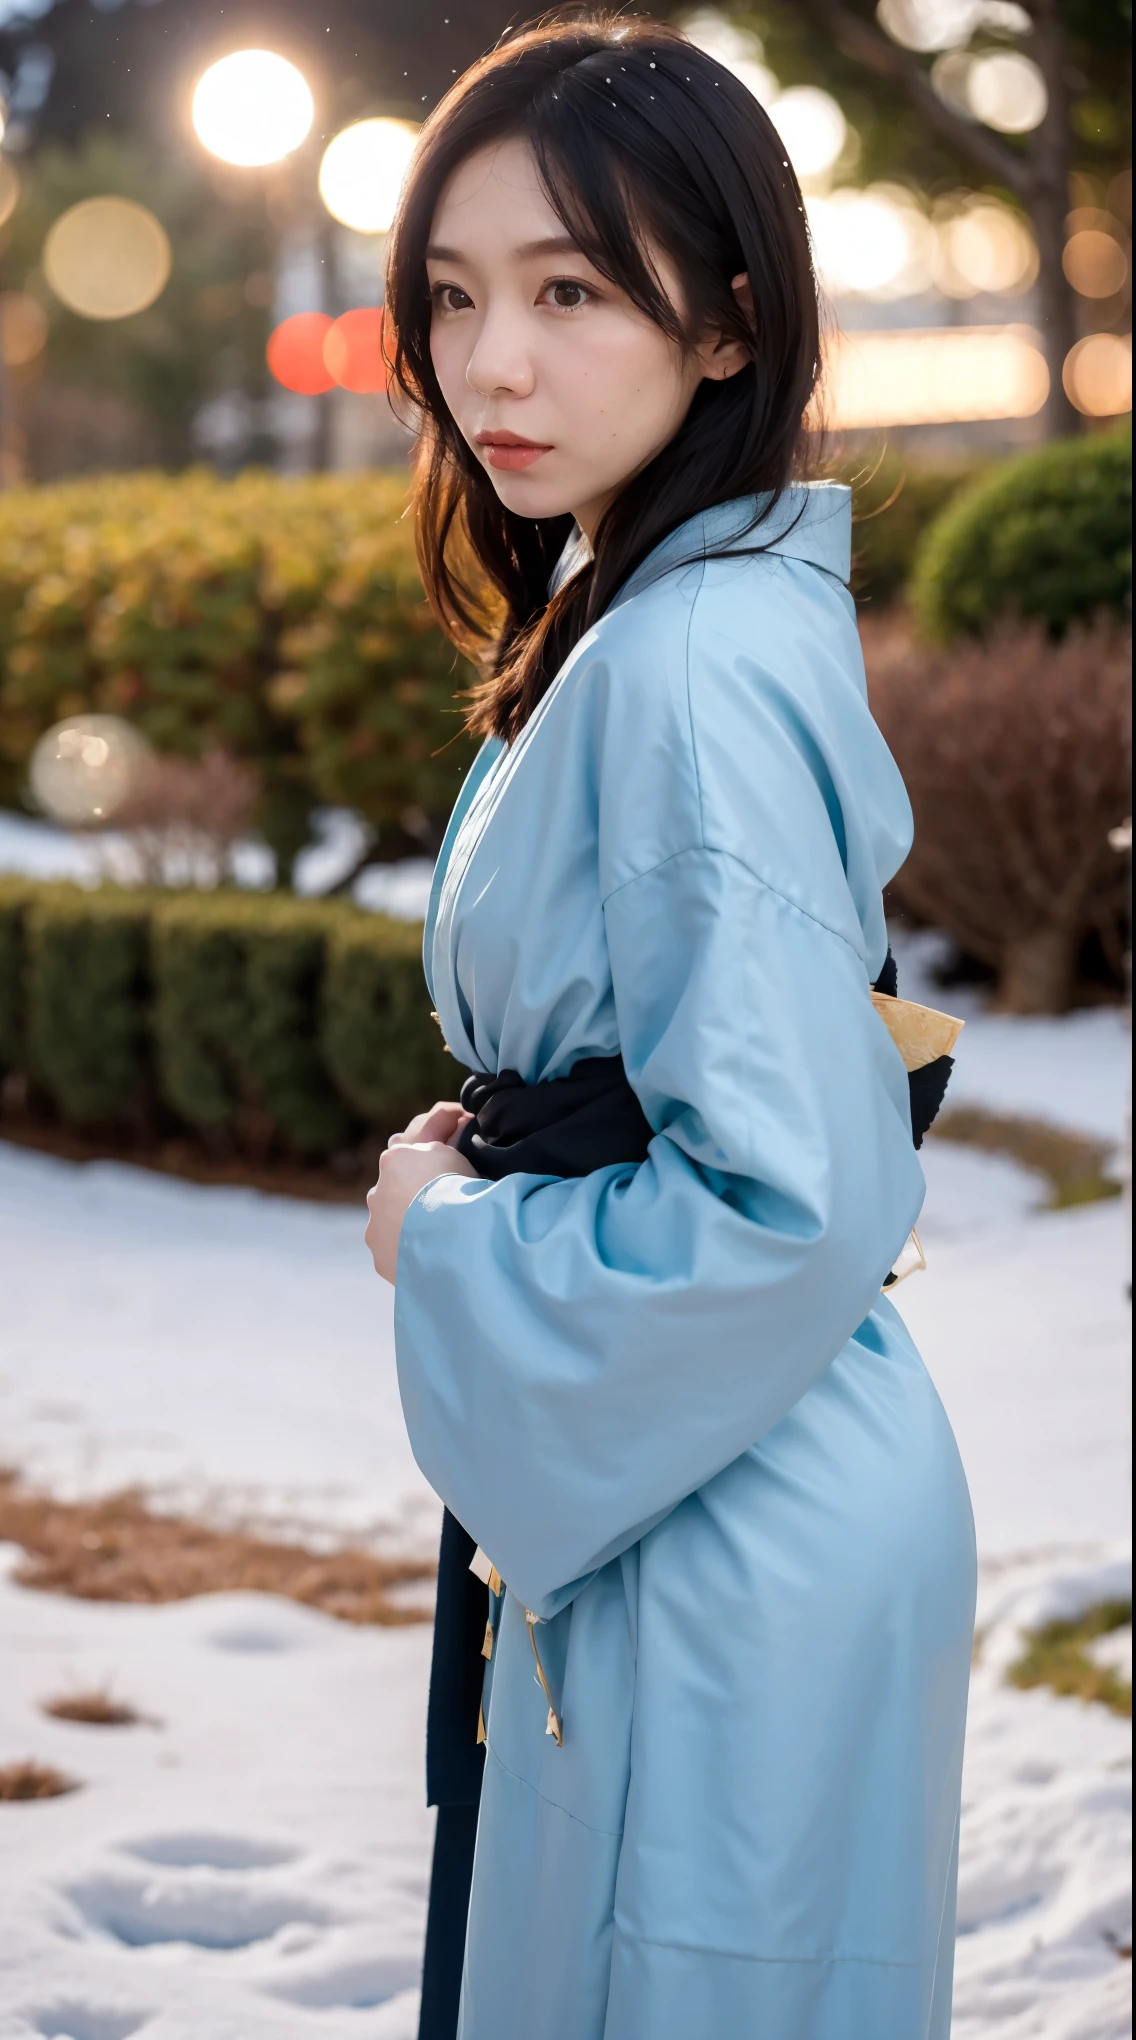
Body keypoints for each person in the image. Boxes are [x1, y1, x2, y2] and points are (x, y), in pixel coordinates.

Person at [364, 17, 977, 2040]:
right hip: (705, 1470)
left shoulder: (693, 656)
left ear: (725, 323)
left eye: (567, 290)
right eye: (453, 298)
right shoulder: (650, 609)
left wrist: (448, 1230)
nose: (492, 366)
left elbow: (792, 1195)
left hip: (727, 1511)